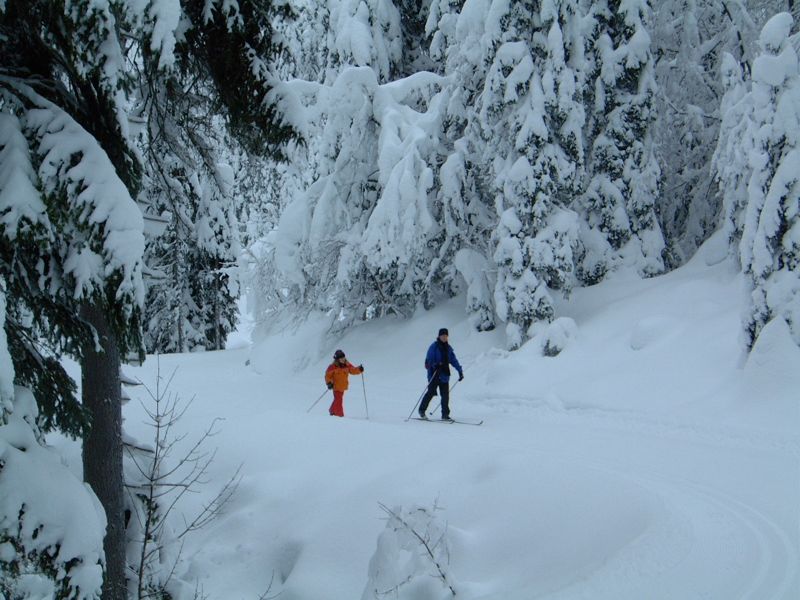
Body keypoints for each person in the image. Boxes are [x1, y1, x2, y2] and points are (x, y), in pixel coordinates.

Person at [419, 328, 463, 420]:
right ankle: (422, 411)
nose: (444, 337)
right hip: (434, 375)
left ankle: (445, 415)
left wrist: (460, 371)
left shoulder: (448, 348)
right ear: (439, 336)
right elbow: (428, 362)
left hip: (444, 375)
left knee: (445, 395)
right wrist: (435, 365)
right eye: (442, 336)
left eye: (446, 336)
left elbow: (453, 360)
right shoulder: (433, 347)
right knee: (430, 393)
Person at [324, 349, 364, 417]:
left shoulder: (347, 365)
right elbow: (327, 376)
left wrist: (359, 369)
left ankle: (332, 410)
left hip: (343, 386)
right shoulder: (332, 367)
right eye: (341, 358)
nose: (343, 359)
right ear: (337, 359)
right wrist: (329, 383)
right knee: (339, 400)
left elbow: (353, 370)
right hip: (336, 387)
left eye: (343, 357)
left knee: (337, 399)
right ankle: (340, 415)